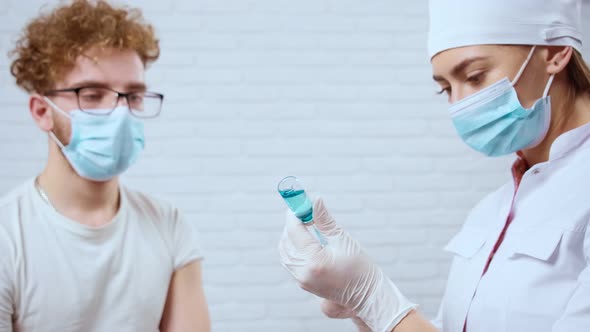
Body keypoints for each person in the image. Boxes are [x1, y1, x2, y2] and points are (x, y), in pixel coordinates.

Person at [278, 0, 590, 331]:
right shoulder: (491, 211)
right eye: (445, 90)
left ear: (555, 52)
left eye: (474, 76)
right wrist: (362, 307)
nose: (460, 105)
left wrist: (374, 298)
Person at [0, 1, 210, 331]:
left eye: (133, 96)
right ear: (42, 111)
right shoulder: (8, 236)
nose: (119, 112)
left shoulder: (168, 225)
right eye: (93, 94)